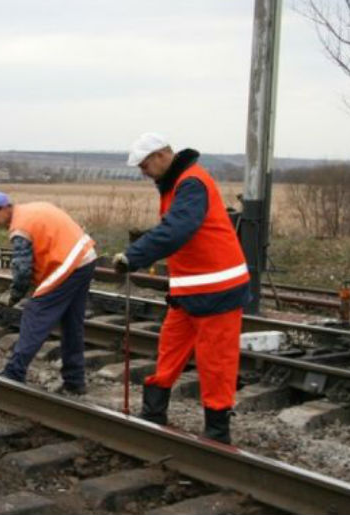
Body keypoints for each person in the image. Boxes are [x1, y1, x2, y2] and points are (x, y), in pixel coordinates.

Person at [113, 133, 250, 444]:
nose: (143, 171)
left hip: (219, 289)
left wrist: (134, 256)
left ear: (162, 155)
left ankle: (216, 432)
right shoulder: (175, 184)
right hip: (188, 291)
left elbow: (177, 230)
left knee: (216, 362)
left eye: (145, 164)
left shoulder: (191, 183)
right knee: (170, 349)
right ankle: (153, 413)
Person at [0, 192, 97, 394]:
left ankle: (14, 373)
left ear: (5, 208)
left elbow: (23, 269)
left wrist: (14, 294)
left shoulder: (20, 227)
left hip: (69, 262)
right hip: (85, 256)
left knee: (35, 313)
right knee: (71, 322)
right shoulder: (31, 209)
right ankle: (74, 381)